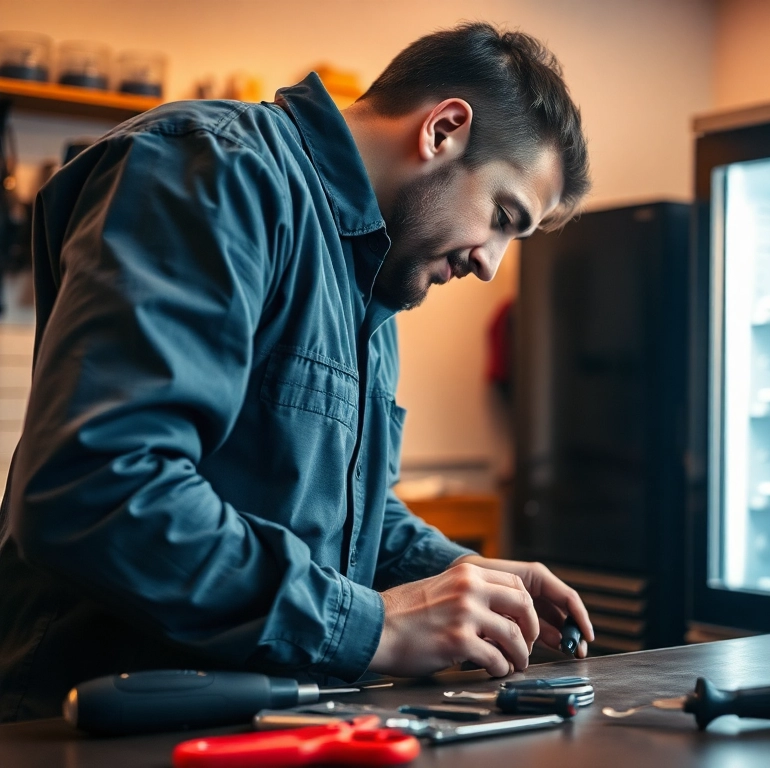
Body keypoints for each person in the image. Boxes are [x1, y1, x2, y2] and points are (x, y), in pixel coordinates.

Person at [0, 22, 594, 722]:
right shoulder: (214, 170)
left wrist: (457, 576)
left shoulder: (373, 283)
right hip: (102, 724)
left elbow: (331, 509)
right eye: (501, 216)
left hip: (261, 721)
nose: (489, 263)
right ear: (444, 130)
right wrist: (371, 626)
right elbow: (100, 487)